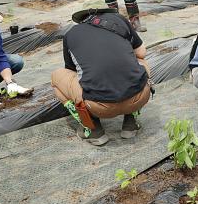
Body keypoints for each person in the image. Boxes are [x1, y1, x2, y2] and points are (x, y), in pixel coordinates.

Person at [51, 8, 152, 146]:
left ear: (81, 21)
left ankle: (93, 129)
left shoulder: (71, 34)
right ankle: (130, 122)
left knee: (57, 78)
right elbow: (142, 52)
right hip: (139, 97)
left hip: (99, 107)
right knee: (142, 62)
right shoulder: (119, 20)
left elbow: (71, 70)